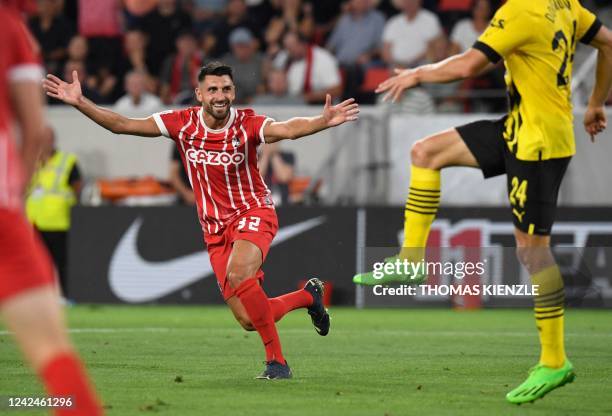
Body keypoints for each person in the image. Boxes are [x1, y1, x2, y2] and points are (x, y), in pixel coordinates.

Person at [354, 0, 612, 405]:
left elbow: (468, 66)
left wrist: (419, 73)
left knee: (533, 254)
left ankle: (554, 360)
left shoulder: (522, 9)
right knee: (426, 153)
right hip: (520, 127)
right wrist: (595, 102)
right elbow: (608, 42)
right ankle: (411, 259)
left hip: (539, 145)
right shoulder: (566, 5)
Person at [43, 61, 359, 379]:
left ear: (233, 92)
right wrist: (81, 103)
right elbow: (122, 124)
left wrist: (322, 121)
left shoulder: (247, 124)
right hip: (214, 228)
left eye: (225, 89)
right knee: (250, 320)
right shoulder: (182, 123)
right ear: (199, 93)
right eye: (213, 90)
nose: (220, 96)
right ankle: (309, 296)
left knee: (239, 274)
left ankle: (277, 362)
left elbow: (287, 129)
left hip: (254, 212)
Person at [0, 2, 103, 415]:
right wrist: (16, 189)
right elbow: (34, 128)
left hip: (39, 220)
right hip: (6, 213)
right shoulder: (11, 28)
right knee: (52, 353)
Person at [26, 126, 82, 298]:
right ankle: (39, 297)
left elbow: (77, 186)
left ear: (53, 141)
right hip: (34, 222)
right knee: (35, 264)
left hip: (58, 221)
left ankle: (67, 297)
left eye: (47, 139)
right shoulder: (31, 161)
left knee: (62, 263)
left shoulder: (66, 161)